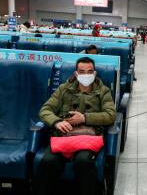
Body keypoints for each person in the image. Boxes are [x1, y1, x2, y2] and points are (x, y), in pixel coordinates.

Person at [35, 57, 116, 195]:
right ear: (76, 74)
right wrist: (57, 121)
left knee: (83, 161)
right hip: (64, 136)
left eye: (89, 71)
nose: (86, 75)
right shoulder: (64, 89)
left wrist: (84, 118)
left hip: (88, 137)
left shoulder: (103, 91)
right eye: (82, 71)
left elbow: (110, 115)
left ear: (95, 73)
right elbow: (45, 110)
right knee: (48, 162)